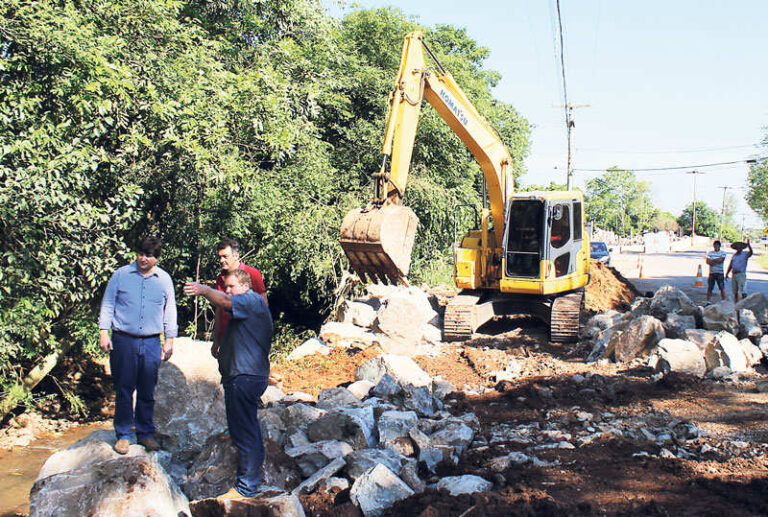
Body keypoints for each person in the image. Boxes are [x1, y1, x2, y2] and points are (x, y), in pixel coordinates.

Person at [184, 269, 272, 499]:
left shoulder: (251, 300)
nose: (228, 291)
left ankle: (246, 488)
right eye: (227, 287)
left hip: (245, 376)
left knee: (245, 432)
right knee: (245, 429)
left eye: (232, 287)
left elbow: (223, 301)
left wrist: (203, 290)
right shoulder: (248, 306)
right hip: (241, 376)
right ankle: (250, 481)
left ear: (245, 286)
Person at [98, 237, 177, 455]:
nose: (143, 259)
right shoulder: (121, 275)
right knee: (124, 388)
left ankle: (145, 434)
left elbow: (169, 310)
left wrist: (169, 339)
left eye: (149, 255)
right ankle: (123, 434)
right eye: (141, 254)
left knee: (147, 389)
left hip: (152, 341)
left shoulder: (164, 280)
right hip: (124, 339)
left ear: (157, 258)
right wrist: (104, 332)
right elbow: (108, 304)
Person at [213, 238, 267, 359]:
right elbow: (219, 311)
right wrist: (216, 340)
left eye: (225, 256)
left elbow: (263, 307)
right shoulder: (220, 278)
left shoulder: (252, 274)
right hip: (226, 339)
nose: (221, 260)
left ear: (236, 255)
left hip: (248, 340)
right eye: (220, 257)